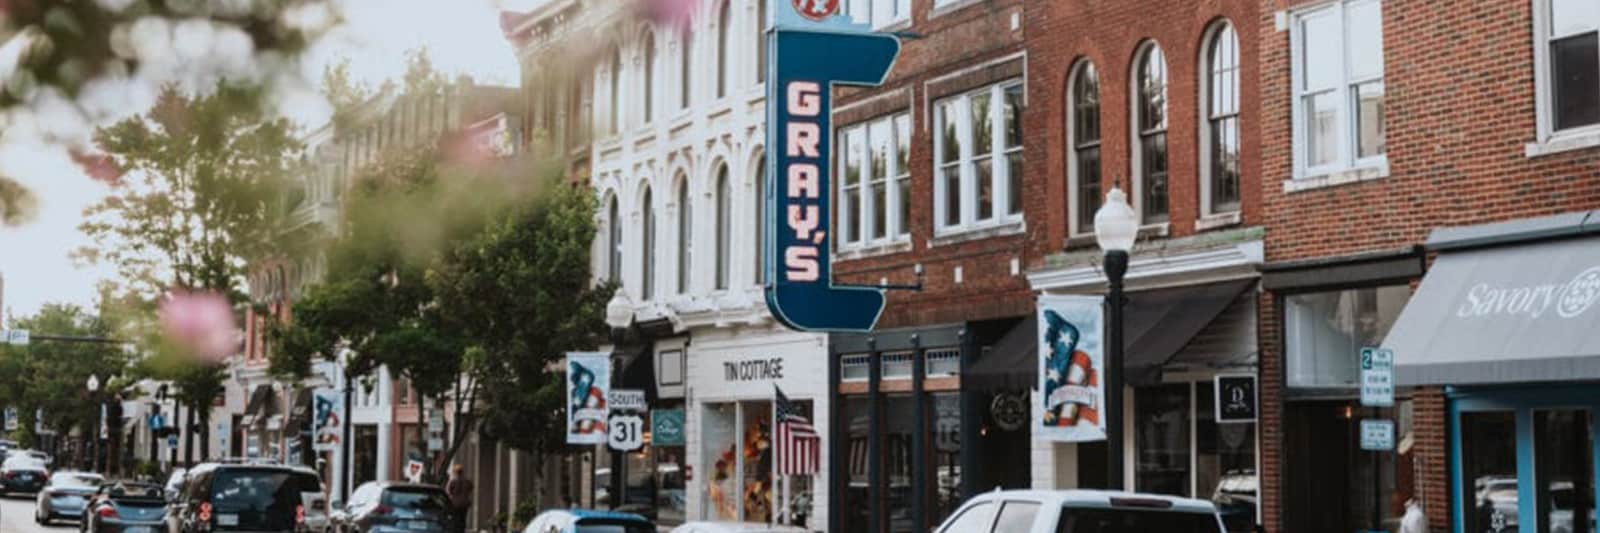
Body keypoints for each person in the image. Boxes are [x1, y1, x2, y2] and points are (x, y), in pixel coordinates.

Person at [444, 463, 474, 533]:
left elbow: (448, 491)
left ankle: (456, 530)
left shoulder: (453, 481)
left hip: (455, 504)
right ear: (462, 472)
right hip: (464, 503)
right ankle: (461, 530)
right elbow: (471, 489)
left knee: (455, 519)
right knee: (463, 519)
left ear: (455, 472)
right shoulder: (467, 481)